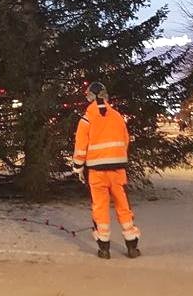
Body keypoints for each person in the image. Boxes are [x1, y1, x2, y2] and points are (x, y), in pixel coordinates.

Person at [73, 82, 141, 260]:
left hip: (96, 172)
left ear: (90, 97)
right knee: (123, 207)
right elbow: (125, 140)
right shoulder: (118, 117)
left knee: (100, 207)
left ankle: (104, 248)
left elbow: (81, 147)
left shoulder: (86, 120)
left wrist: (78, 167)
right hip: (118, 170)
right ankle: (132, 245)